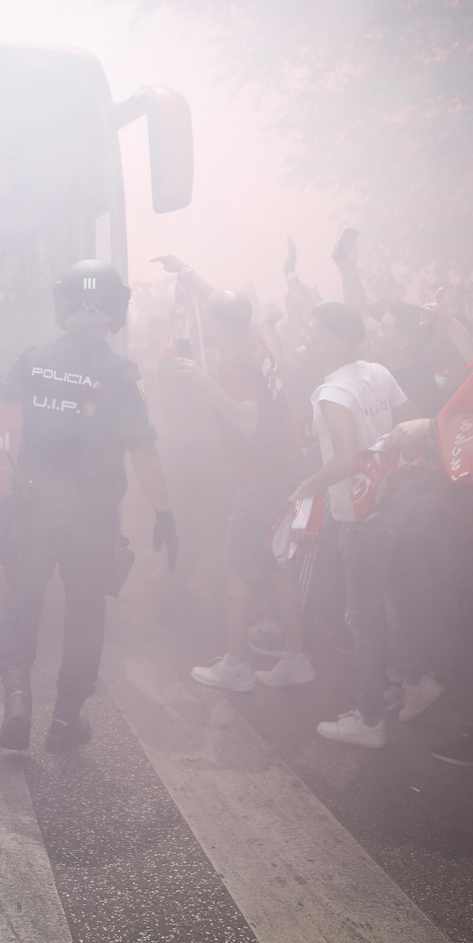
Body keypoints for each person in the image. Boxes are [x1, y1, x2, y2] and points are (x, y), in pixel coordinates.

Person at [0, 260, 177, 754]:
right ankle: (67, 720)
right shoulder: (121, 374)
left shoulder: (32, 360)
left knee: (23, 599)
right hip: (91, 516)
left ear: (64, 304)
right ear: (115, 308)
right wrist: (164, 513)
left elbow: (2, 388)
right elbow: (144, 448)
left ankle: (16, 700)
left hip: (34, 507)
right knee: (85, 613)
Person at [294, 301, 416, 748]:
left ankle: (369, 720)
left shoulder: (334, 392)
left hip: (361, 518)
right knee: (385, 606)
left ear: (326, 337)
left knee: (364, 618)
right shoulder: (376, 372)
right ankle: (398, 686)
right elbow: (410, 423)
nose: (303, 332)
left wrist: (303, 488)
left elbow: (344, 460)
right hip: (391, 505)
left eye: (308, 325)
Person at [181, 291, 312, 691]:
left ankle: (236, 664)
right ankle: (296, 658)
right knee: (279, 567)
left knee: (238, 569)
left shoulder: (239, 367)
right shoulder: (255, 346)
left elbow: (247, 423)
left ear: (222, 326)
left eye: (211, 321)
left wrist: (204, 380)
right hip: (284, 475)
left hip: (260, 482)